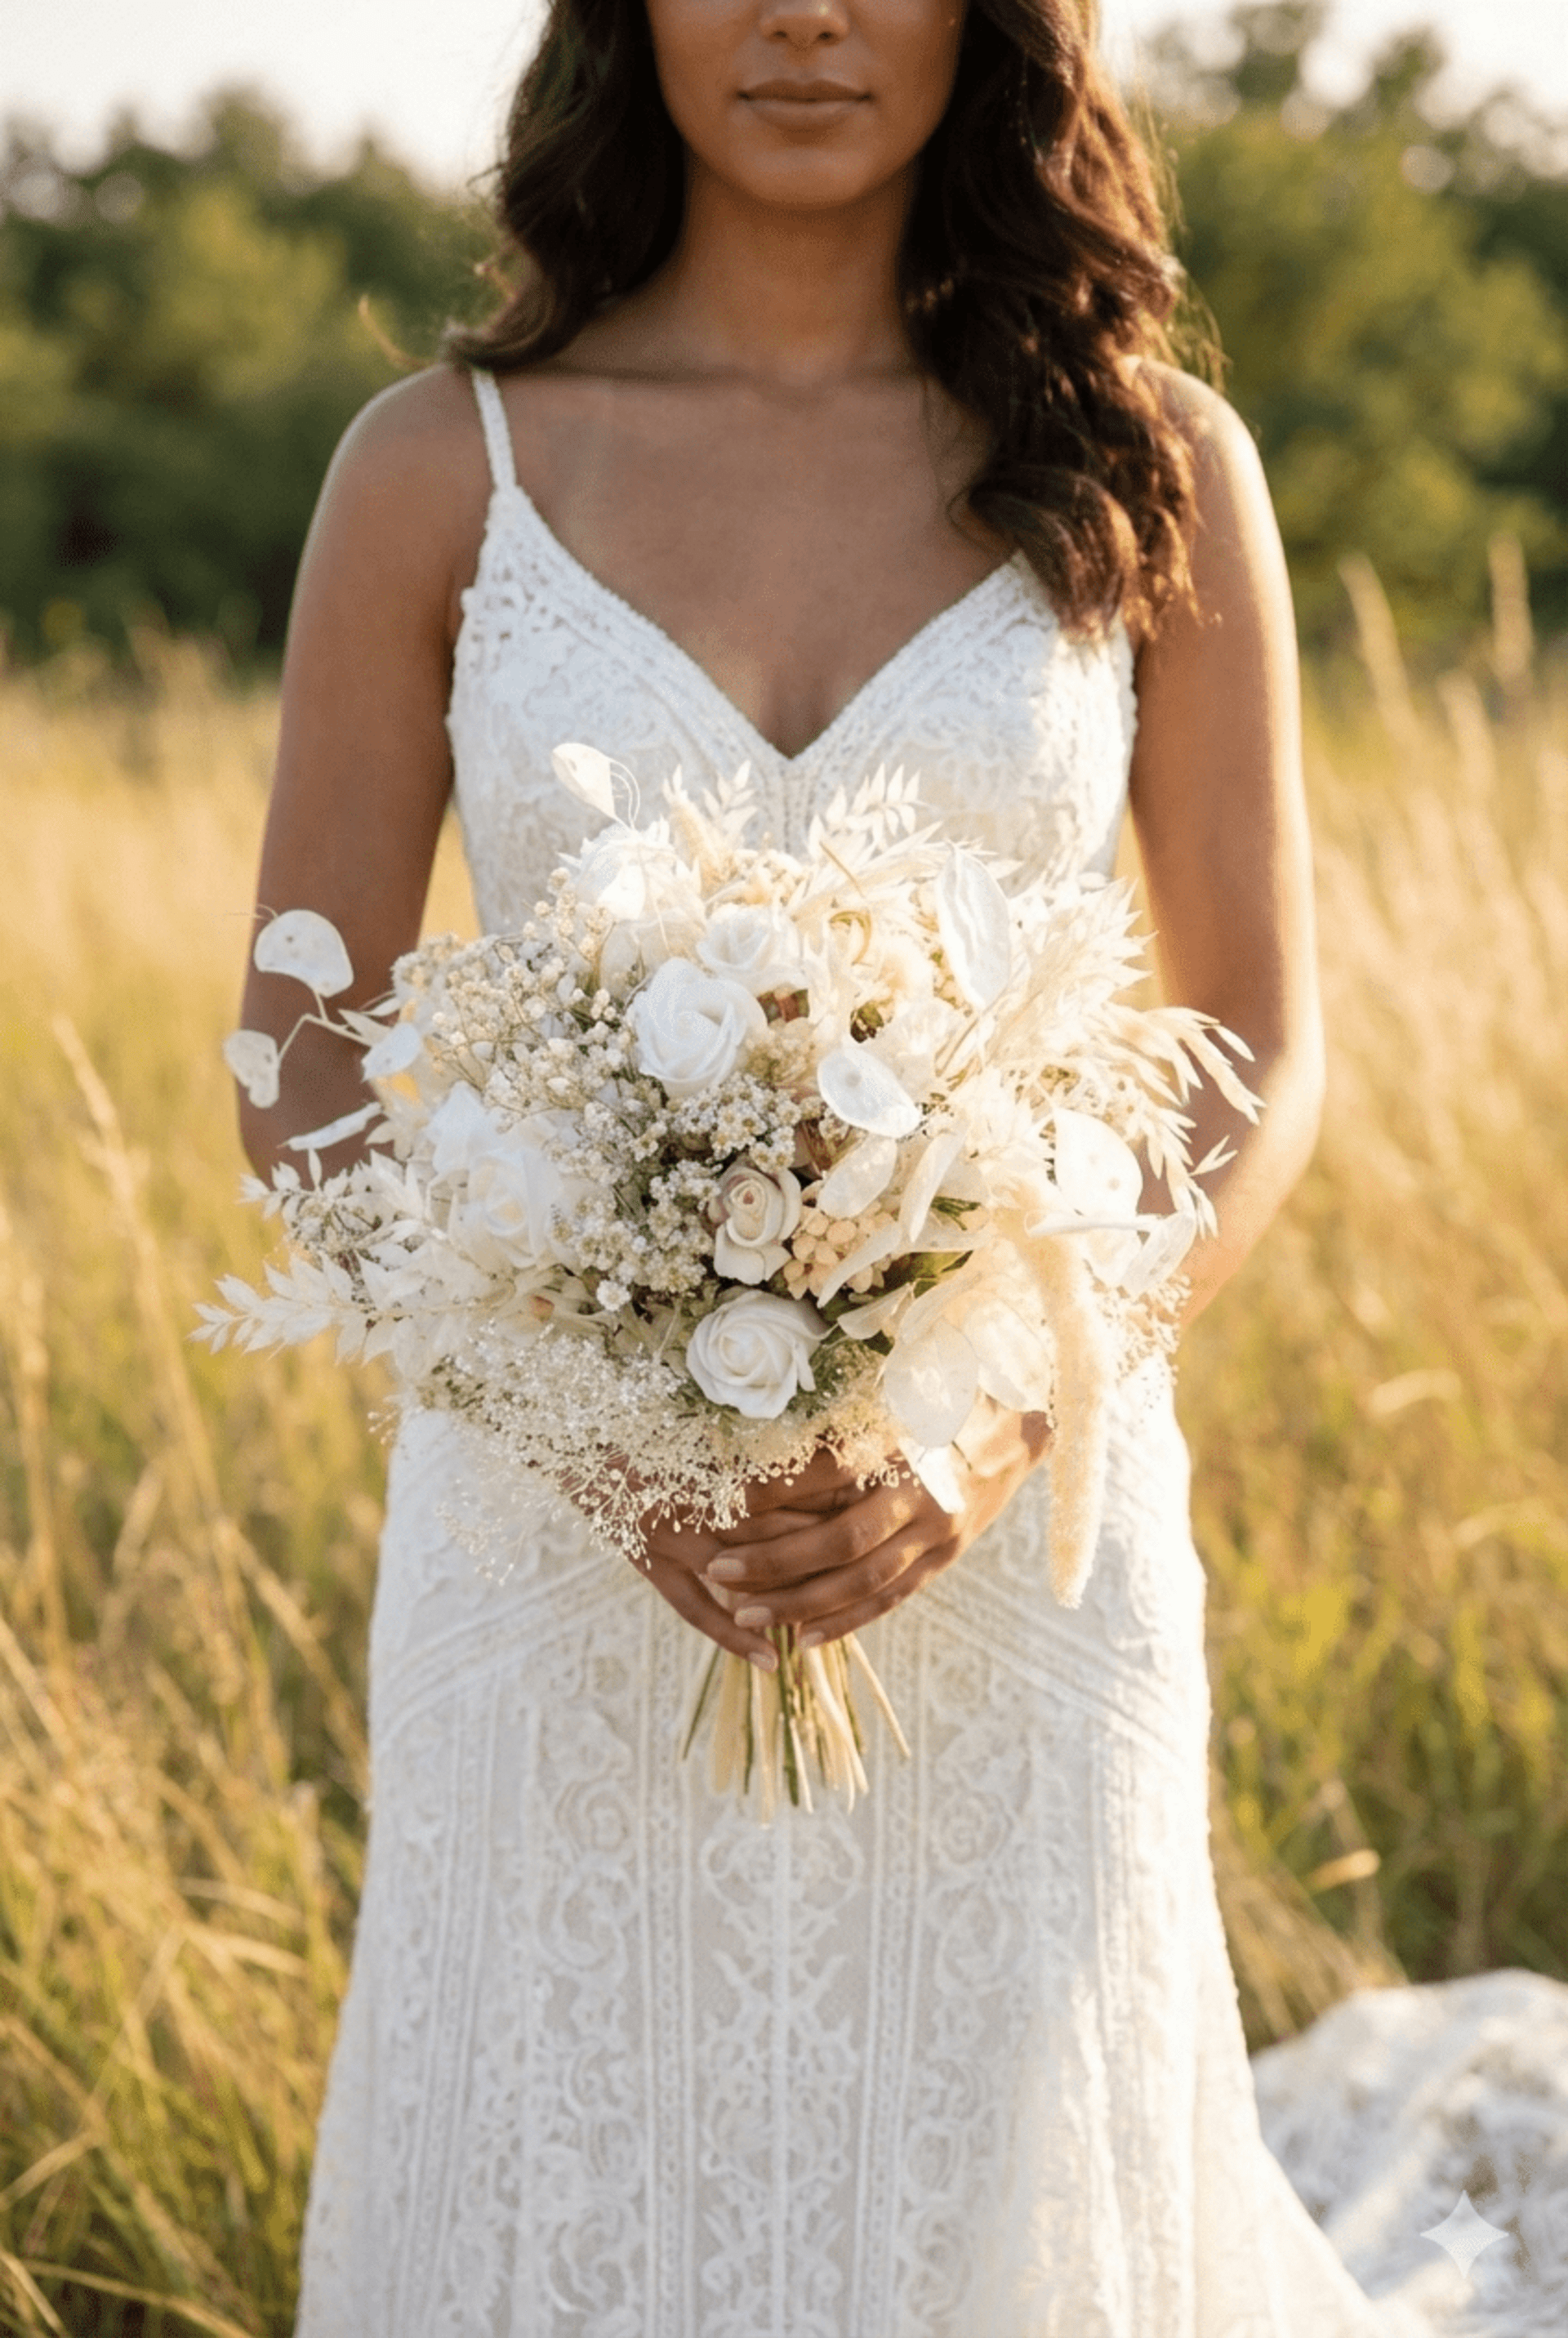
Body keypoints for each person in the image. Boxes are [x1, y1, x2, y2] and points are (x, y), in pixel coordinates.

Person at [236, 0, 1427, 2328]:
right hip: (545, 1560)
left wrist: (992, 1433)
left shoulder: (1156, 458)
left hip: (1015, 1555)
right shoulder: (439, 461)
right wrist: (601, 1441)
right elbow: (301, 1037)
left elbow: (1256, 1040)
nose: (803, 14)